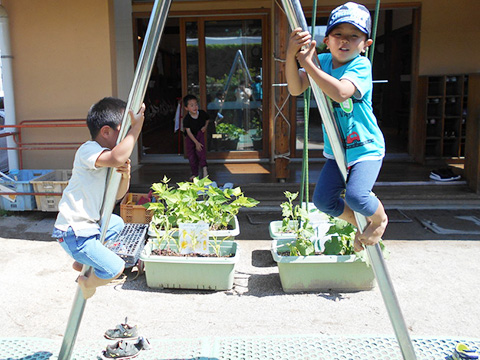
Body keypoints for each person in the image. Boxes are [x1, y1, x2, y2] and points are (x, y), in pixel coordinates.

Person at [285, 1, 388, 251]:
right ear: (327, 40)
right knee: (322, 200)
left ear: (365, 45)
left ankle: (380, 219)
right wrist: (291, 55)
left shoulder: (360, 66)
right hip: (338, 150)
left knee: (356, 196)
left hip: (365, 148)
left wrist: (308, 64)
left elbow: (341, 92)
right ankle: (359, 224)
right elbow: (295, 88)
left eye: (354, 36)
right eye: (338, 34)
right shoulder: (321, 61)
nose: (345, 41)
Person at [52, 97, 145, 299]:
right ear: (106, 132)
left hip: (89, 227)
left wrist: (126, 175)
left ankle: (84, 261)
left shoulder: (107, 159)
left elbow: (118, 196)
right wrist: (135, 129)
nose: (127, 136)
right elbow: (117, 157)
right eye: (124, 130)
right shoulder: (88, 150)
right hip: (74, 231)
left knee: (116, 223)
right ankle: (87, 282)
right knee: (114, 269)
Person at [183, 94, 209, 180]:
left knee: (201, 153)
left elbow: (207, 119)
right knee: (192, 156)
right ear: (186, 108)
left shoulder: (202, 113)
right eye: (191, 105)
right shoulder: (187, 119)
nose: (195, 107)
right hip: (190, 138)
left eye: (196, 104)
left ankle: (205, 171)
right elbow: (188, 132)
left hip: (199, 134)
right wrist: (196, 143)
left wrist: (205, 126)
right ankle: (195, 173)